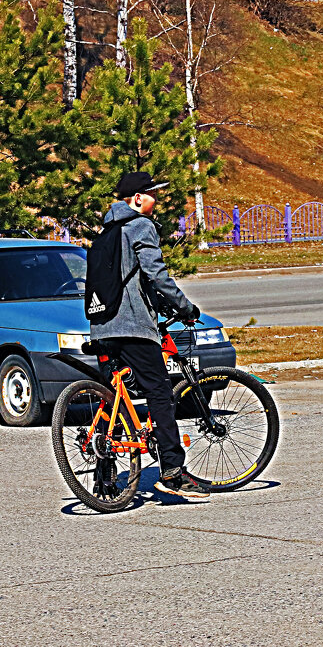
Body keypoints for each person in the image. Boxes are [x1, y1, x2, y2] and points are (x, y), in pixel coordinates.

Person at [89, 171, 209, 499]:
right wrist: (185, 307)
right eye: (154, 194)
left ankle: (104, 480)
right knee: (159, 391)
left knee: (111, 399)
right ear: (138, 198)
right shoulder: (140, 227)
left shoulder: (105, 233)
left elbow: (130, 280)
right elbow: (156, 274)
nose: (158, 200)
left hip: (102, 327)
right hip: (133, 328)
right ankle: (172, 472)